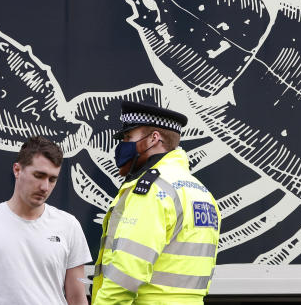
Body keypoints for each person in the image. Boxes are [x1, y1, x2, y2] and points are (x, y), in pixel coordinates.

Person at [91, 102, 221, 305]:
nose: (123, 145)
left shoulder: (152, 190)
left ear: (153, 138)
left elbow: (126, 273)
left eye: (128, 137)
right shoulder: (202, 192)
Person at [0, 136, 90, 305]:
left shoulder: (69, 225)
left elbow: (77, 298)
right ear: (17, 170)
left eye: (52, 179)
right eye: (39, 175)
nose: (45, 187)